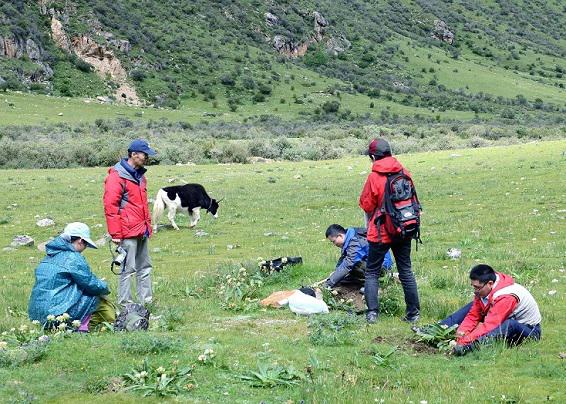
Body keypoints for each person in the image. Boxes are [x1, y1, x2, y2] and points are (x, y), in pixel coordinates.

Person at [359, 138, 421, 324]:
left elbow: (366, 204)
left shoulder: (374, 177)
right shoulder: (404, 171)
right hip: (404, 228)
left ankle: (372, 314)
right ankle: (413, 314)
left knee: (372, 272)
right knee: (406, 271)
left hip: (380, 231)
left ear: (373, 156)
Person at [432, 264, 542, 356]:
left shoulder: (506, 297)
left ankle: (468, 348)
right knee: (472, 306)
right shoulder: (486, 287)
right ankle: (439, 329)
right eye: (473, 286)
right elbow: (473, 315)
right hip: (503, 320)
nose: (475, 291)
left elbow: (490, 325)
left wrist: (465, 341)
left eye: (477, 288)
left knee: (510, 325)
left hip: (528, 331)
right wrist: (461, 334)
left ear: (489, 283)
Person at [28, 222, 115, 331]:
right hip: (58, 313)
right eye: (86, 244)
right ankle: (104, 326)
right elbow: (90, 283)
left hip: (37, 315)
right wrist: (104, 287)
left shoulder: (49, 257)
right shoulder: (73, 258)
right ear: (80, 241)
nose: (85, 247)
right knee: (98, 298)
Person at [103, 139, 156, 305]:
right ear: (133, 155)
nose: (147, 157)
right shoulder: (116, 176)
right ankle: (125, 304)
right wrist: (116, 234)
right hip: (126, 232)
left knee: (145, 267)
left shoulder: (141, 176)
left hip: (141, 229)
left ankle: (146, 302)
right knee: (127, 268)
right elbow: (111, 206)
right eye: (144, 154)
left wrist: (148, 226)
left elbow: (141, 204)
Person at [324, 224, 393, 289]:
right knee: (347, 268)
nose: (334, 244)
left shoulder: (355, 242)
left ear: (340, 236)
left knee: (354, 265)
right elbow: (344, 257)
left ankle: (373, 284)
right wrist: (336, 273)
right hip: (373, 263)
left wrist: (329, 283)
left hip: (383, 267)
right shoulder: (351, 236)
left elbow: (348, 264)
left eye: (333, 241)